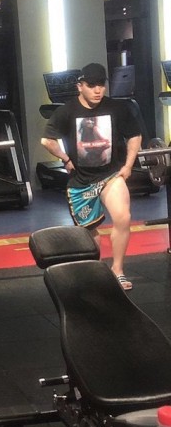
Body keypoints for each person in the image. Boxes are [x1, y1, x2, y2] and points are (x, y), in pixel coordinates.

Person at [41, 62, 141, 291]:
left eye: (101, 85)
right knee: (89, 231)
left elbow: (135, 135)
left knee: (123, 217)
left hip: (110, 174)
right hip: (81, 179)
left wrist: (128, 166)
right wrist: (65, 159)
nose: (97, 90)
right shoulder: (67, 111)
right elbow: (47, 140)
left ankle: (118, 271)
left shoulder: (117, 108)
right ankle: (97, 272)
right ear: (80, 86)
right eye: (91, 85)